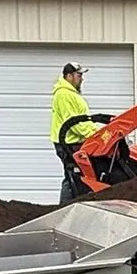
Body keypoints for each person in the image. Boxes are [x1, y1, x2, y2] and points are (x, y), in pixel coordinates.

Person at [50, 63, 96, 204]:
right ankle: (64, 209)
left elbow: (82, 119)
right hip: (69, 143)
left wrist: (96, 131)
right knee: (73, 176)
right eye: (79, 75)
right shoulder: (63, 95)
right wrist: (93, 135)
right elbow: (73, 121)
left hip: (76, 141)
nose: (81, 79)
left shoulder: (70, 94)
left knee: (79, 177)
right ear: (69, 76)